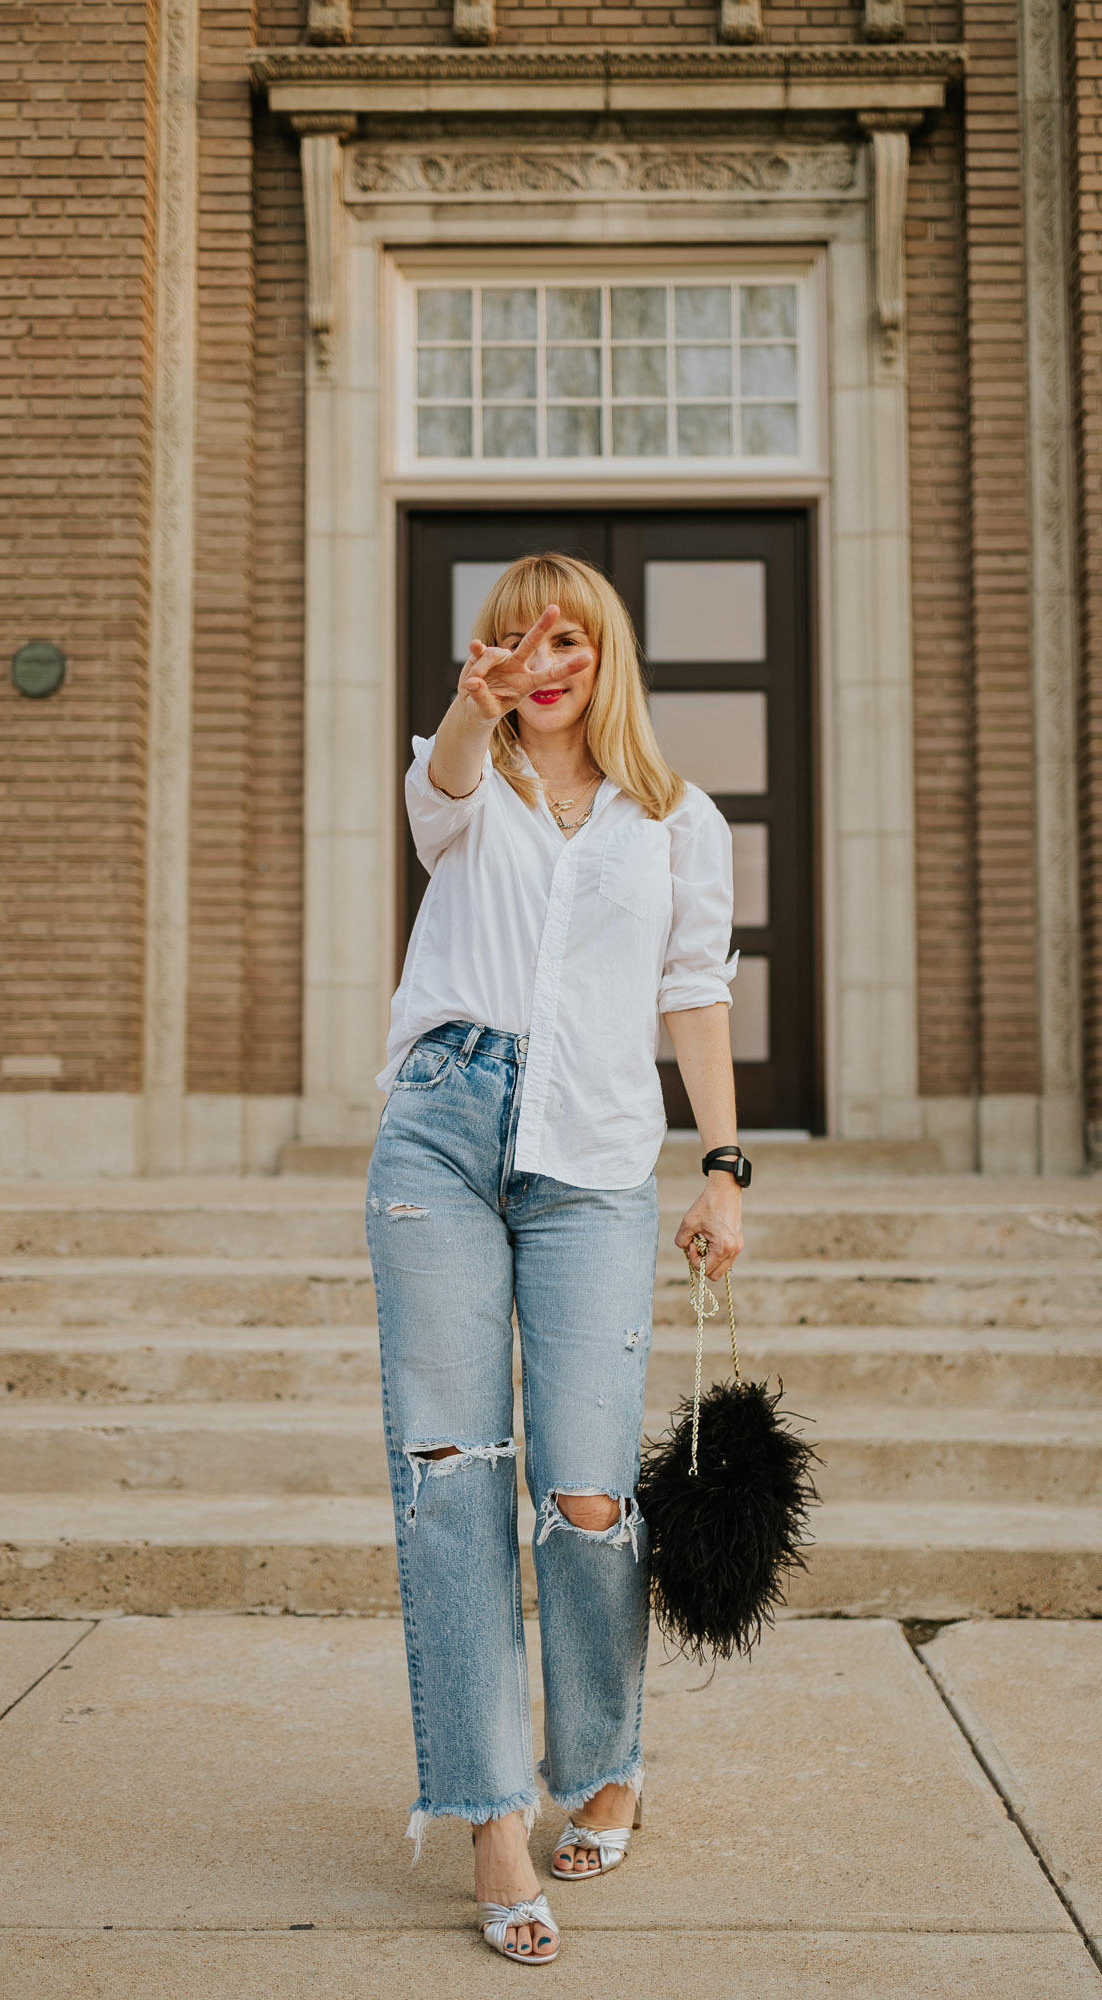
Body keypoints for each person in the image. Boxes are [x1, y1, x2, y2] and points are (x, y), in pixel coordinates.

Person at [366, 552, 747, 1965]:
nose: (544, 659)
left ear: (606, 654)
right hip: (441, 1138)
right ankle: (489, 1818)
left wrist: (721, 1162)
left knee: (586, 1495)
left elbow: (694, 990)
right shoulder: (459, 778)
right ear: (487, 657)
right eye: (516, 640)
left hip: (593, 1163)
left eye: (569, 637)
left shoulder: (673, 820)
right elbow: (440, 795)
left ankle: (607, 1756)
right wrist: (466, 712)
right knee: (452, 1480)